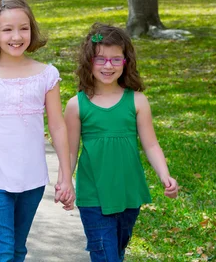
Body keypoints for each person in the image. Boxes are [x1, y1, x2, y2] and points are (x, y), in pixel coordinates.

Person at [0, 0, 75, 261]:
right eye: (8, 29)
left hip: (32, 179)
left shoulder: (46, 75)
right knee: (1, 252)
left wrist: (65, 174)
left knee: (17, 250)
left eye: (23, 28)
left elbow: (58, 127)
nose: (17, 36)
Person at [64, 23, 179, 261]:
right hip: (93, 194)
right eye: (100, 59)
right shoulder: (76, 104)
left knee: (116, 250)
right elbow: (71, 151)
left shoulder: (137, 101)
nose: (108, 66)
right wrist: (65, 182)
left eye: (116, 60)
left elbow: (151, 145)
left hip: (129, 194)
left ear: (125, 62)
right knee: (105, 255)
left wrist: (164, 175)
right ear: (89, 62)